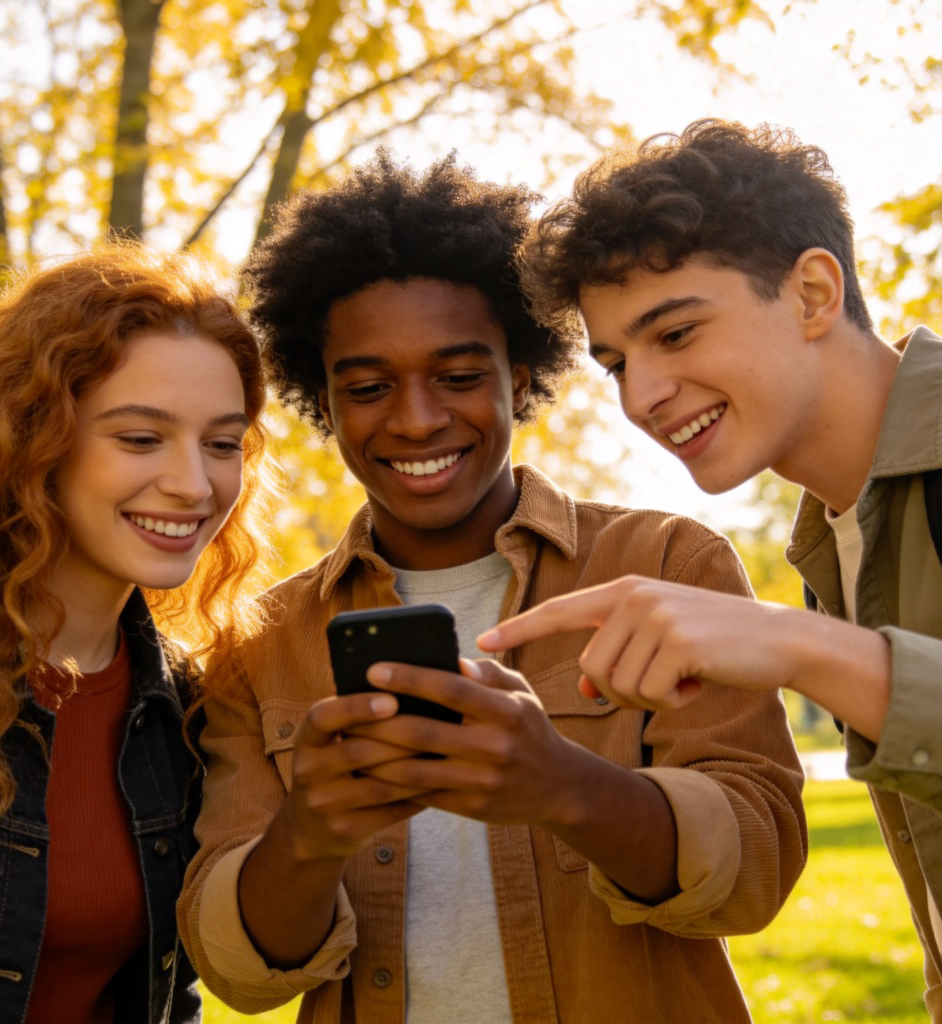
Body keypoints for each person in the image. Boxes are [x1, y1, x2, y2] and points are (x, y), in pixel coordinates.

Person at [176, 151, 807, 1023]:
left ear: (522, 374)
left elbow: (760, 868)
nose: (417, 418)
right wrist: (308, 838)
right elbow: (239, 975)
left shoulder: (667, 564)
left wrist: (565, 786)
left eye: (461, 376)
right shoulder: (261, 638)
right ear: (323, 401)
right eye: (366, 387)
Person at [480, 118, 942, 1018]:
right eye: (617, 363)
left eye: (677, 333)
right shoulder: (840, 535)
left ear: (812, 293)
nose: (641, 397)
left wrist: (801, 647)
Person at [0, 242, 269, 1024]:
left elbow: (166, 992)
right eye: (140, 438)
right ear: (32, 439)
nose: (193, 483)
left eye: (222, 443)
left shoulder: (187, 706)